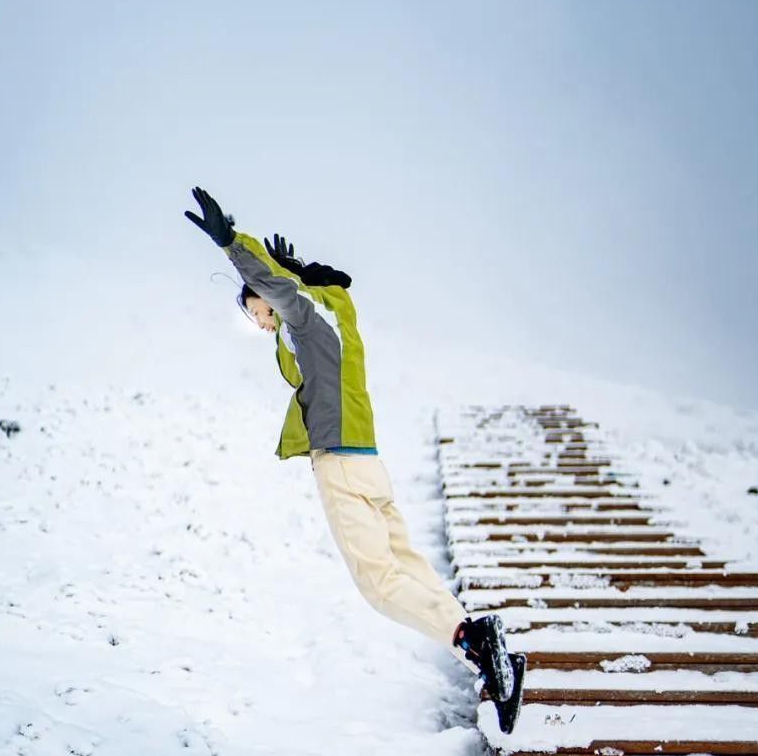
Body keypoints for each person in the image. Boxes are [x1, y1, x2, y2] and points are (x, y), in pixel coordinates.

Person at [184, 186, 525, 728]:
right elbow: (300, 344)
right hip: (369, 460)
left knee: (379, 585)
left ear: (269, 295)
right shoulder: (340, 320)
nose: (259, 322)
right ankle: (489, 658)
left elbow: (286, 302)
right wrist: (283, 276)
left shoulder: (305, 318)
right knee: (408, 567)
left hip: (341, 461)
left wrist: (236, 248)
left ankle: (472, 638)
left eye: (255, 310)